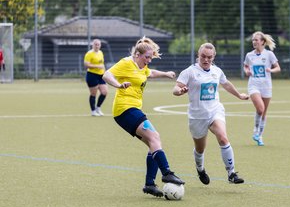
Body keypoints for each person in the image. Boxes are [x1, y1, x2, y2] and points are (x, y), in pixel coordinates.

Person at [102, 36, 185, 198]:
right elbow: (107, 75)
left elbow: (150, 73)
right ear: (137, 55)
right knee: (155, 136)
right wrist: (119, 85)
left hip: (132, 109)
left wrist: (166, 74)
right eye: (147, 57)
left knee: (153, 143)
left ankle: (149, 184)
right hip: (125, 109)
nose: (149, 60)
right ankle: (167, 172)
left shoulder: (142, 66)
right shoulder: (127, 63)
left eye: (151, 57)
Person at [173, 42, 249, 185]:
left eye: (209, 57)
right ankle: (200, 169)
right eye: (203, 56)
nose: (206, 60)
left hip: (215, 111)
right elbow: (176, 88)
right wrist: (180, 91)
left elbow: (226, 84)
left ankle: (231, 173)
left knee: (223, 137)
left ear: (213, 57)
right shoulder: (190, 71)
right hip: (197, 116)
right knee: (200, 149)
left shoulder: (217, 71)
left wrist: (239, 95)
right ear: (198, 55)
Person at [243, 31, 281, 146]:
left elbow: (278, 68)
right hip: (254, 85)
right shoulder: (249, 55)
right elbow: (245, 66)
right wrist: (247, 71)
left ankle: (259, 136)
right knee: (260, 108)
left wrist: (271, 70)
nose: (254, 42)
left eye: (256, 40)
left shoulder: (269, 54)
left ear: (263, 42)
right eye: (253, 40)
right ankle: (255, 130)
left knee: (264, 113)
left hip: (266, 86)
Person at [84, 39, 108, 116]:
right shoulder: (89, 54)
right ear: (93, 45)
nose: (97, 46)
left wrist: (105, 72)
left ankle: (98, 107)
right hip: (92, 75)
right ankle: (93, 111)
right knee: (93, 93)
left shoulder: (101, 53)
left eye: (98, 44)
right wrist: (97, 66)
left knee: (104, 92)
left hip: (101, 75)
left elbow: (102, 64)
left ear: (100, 45)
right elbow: (86, 65)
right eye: (95, 44)